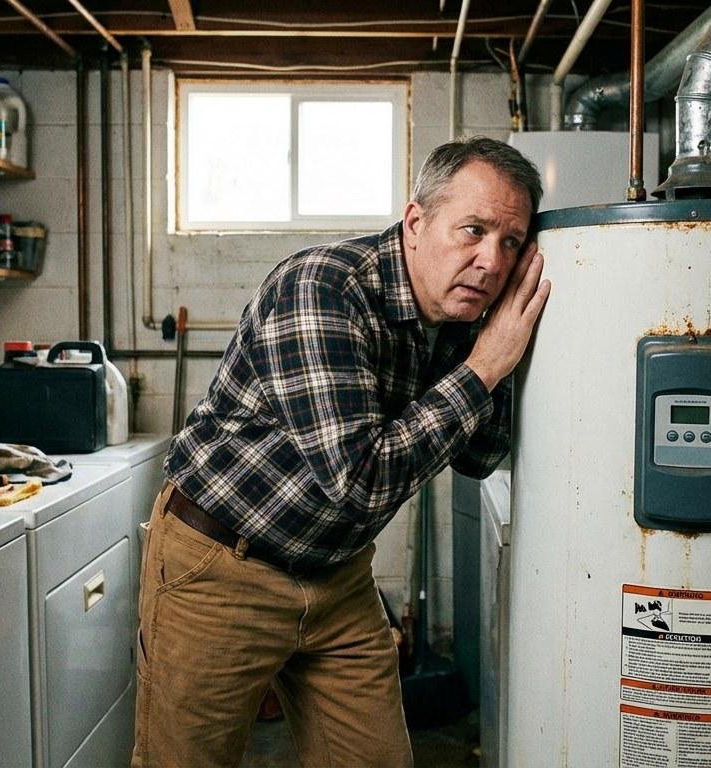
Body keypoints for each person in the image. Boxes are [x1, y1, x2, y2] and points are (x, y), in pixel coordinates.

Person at [133, 136, 550, 767]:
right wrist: (485, 369)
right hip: (221, 565)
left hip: (338, 574)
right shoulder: (324, 288)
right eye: (473, 230)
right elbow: (360, 480)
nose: (490, 261)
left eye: (510, 242)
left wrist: (501, 355)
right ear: (416, 222)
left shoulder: (460, 318)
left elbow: (477, 458)